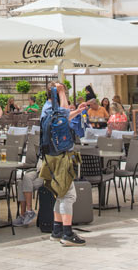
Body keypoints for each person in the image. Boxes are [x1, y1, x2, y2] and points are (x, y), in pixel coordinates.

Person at [38, 82, 88, 246]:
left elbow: (63, 117)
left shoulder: (48, 107)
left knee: (60, 194)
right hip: (59, 157)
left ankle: (56, 231)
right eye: (63, 91)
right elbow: (64, 112)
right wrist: (61, 92)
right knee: (68, 195)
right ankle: (67, 233)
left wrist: (78, 111)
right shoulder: (54, 105)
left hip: (51, 156)